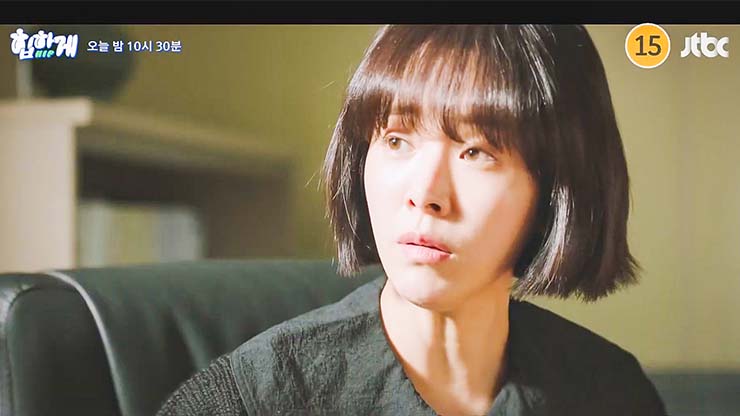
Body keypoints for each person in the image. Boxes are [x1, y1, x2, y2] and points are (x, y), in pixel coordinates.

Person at [157, 25, 667, 416]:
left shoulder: (611, 392)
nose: (425, 194)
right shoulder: (248, 401)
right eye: (397, 140)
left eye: (476, 152)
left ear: (556, 190)